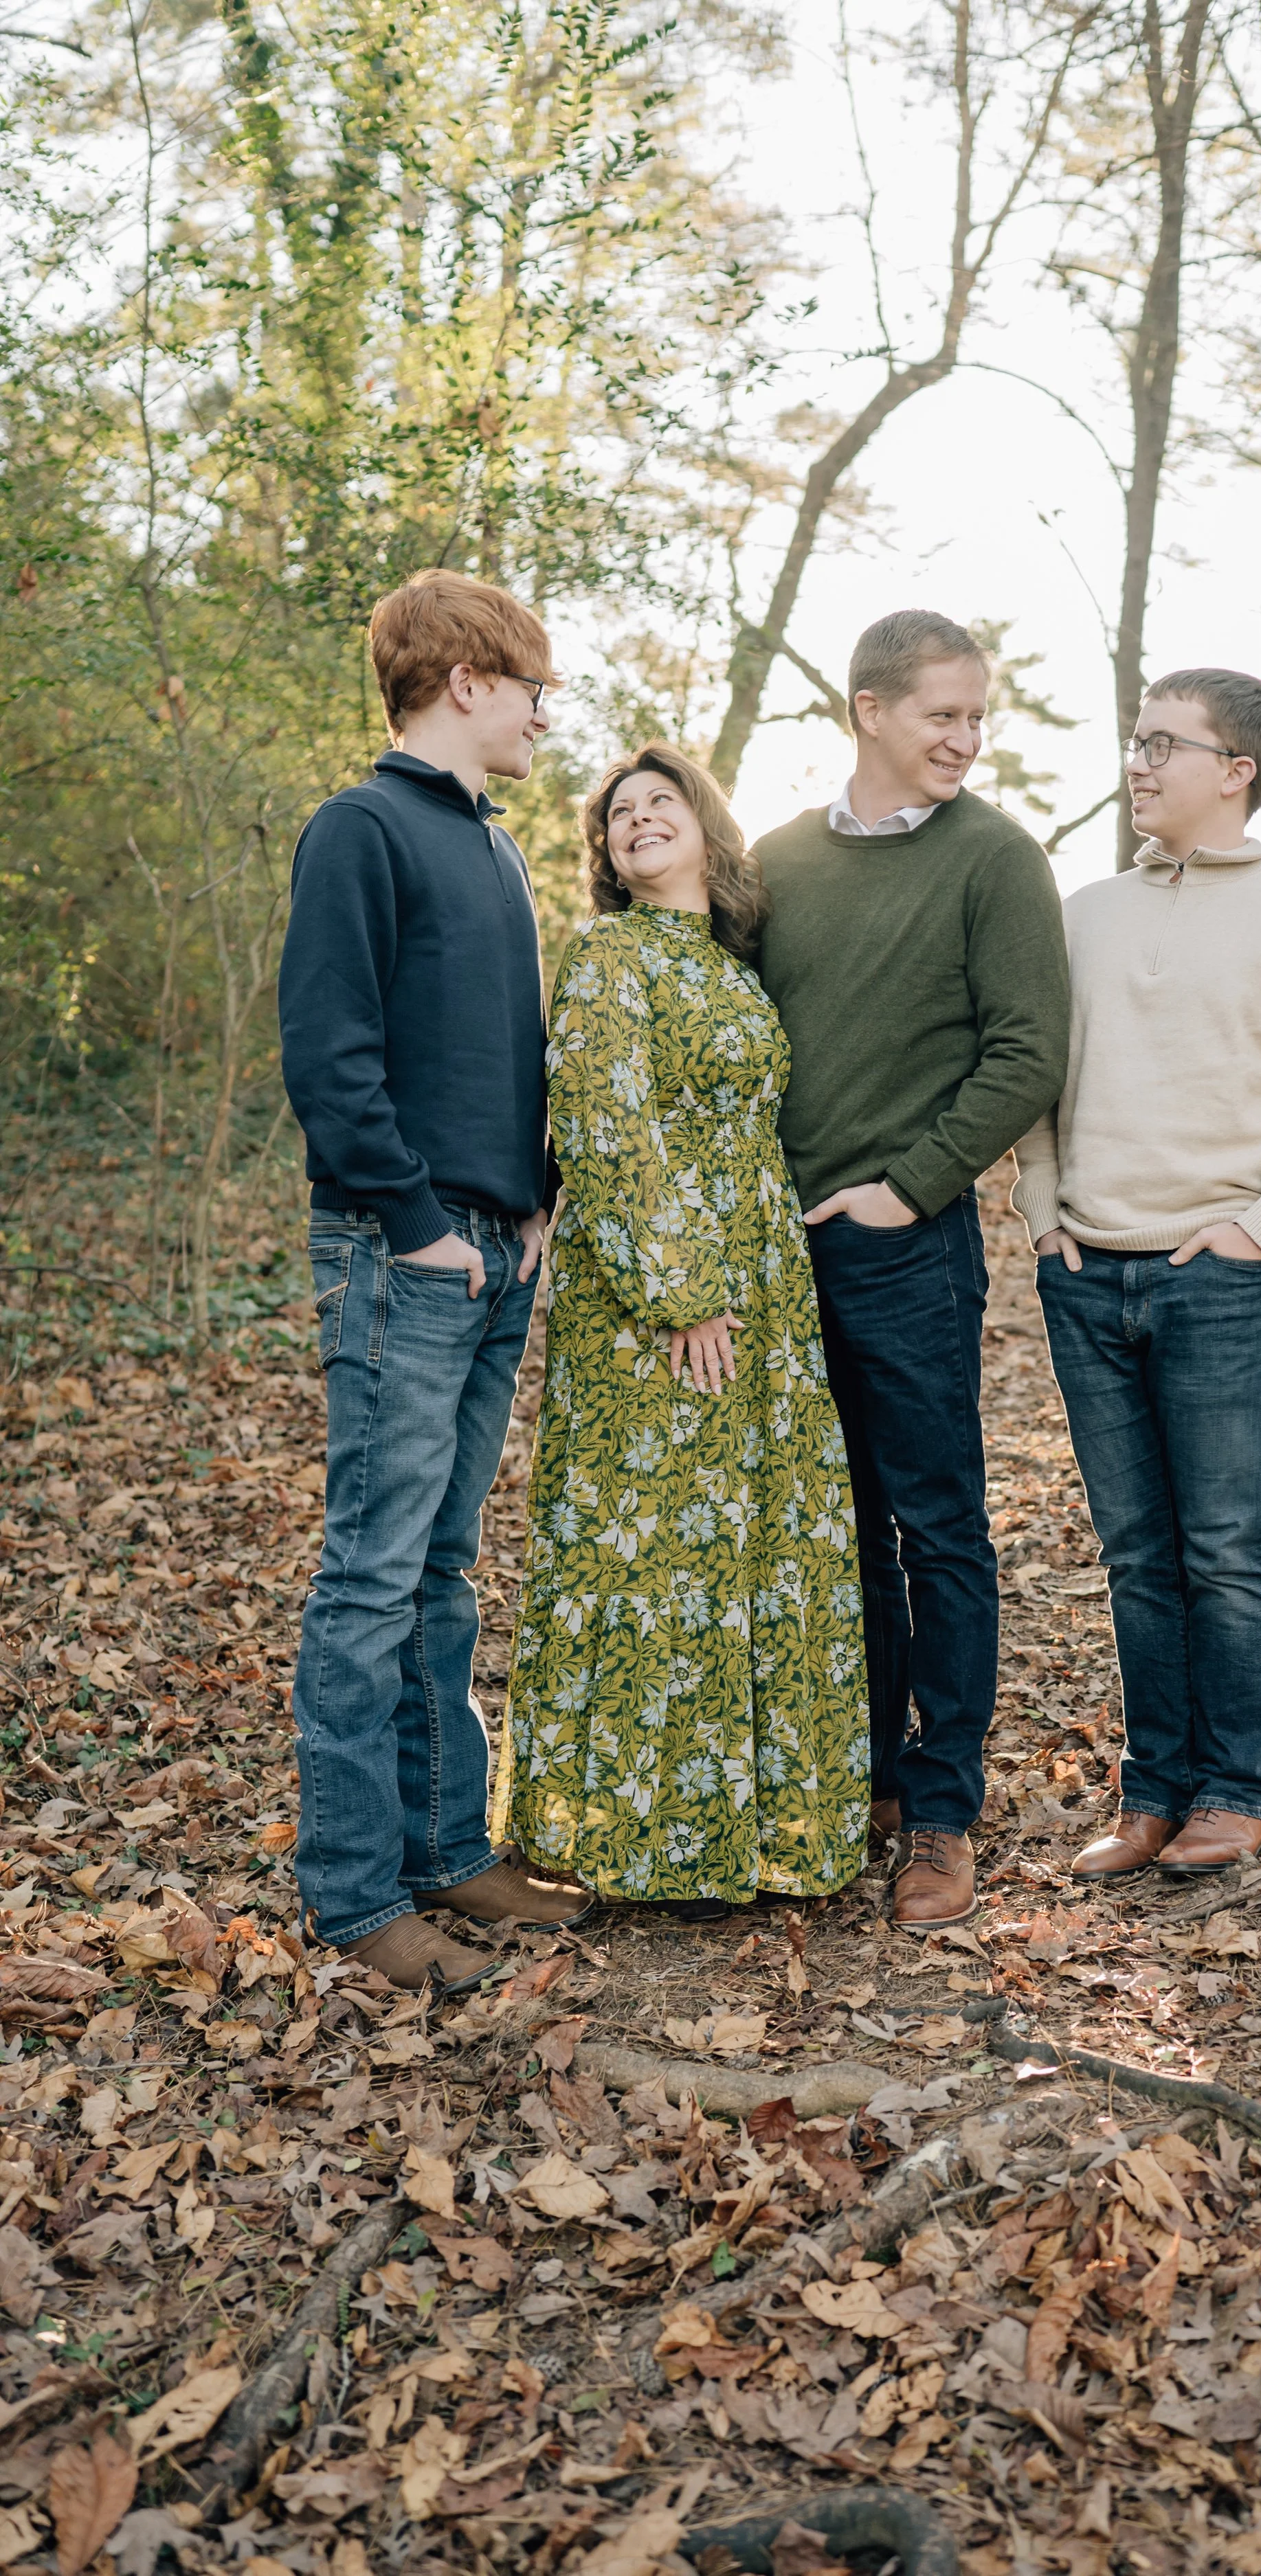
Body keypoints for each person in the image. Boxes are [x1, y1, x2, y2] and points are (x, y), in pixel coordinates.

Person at [1014, 666, 1261, 1881]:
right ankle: (1154, 1793)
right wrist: (1042, 1212)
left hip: (1229, 1280)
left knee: (1224, 1543)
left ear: (1236, 770)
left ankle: (1240, 1788)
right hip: (1090, 1272)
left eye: (1164, 745)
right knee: (1135, 1551)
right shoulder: (1082, 914)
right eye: (1134, 740)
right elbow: (1033, 1081)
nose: (1137, 762)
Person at [278, 568, 595, 1993]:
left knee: (447, 1570)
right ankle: (356, 1896)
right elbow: (330, 1057)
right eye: (532, 686)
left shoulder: (498, 847)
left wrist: (528, 1200)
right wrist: (418, 1224)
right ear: (465, 682)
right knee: (373, 1573)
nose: (543, 713)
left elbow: (498, 1052)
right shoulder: (360, 831)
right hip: (404, 1253)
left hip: (490, 1250)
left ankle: (449, 1849)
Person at [493, 745, 870, 1921]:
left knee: (751, 1535)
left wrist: (740, 1283)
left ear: (707, 828)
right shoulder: (609, 959)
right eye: (619, 816)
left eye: (662, 804)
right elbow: (606, 1130)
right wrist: (682, 1291)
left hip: (762, 1284)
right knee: (660, 1551)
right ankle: (646, 1840)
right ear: (606, 857)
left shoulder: (728, 969)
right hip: (662, 1297)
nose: (639, 821)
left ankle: (756, 1825)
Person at [753, 611, 1070, 1932]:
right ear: (868, 710)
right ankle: (871, 1773)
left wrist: (908, 1186)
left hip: (905, 1245)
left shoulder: (995, 856)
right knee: (838, 1529)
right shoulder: (772, 862)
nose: (965, 737)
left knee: (937, 1525)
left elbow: (1028, 1050)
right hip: (776, 1252)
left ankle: (942, 1811)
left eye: (976, 716)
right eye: (942, 713)